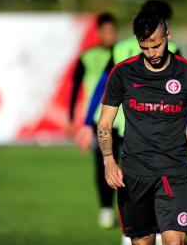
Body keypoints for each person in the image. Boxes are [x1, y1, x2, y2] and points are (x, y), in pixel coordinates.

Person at [97, 10, 187, 245]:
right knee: (142, 242)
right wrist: (108, 160)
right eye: (144, 47)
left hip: (174, 173)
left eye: (156, 45)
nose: (152, 53)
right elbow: (104, 124)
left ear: (168, 36)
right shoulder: (122, 73)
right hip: (133, 175)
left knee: (174, 241)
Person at [113, 0, 187, 146]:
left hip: (122, 122)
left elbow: (103, 85)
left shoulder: (119, 48)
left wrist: (88, 122)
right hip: (162, 126)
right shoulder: (170, 49)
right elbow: (181, 93)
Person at [68, 12, 123, 229]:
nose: (110, 35)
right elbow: (74, 89)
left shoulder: (123, 53)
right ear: (99, 32)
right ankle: (106, 210)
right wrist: (73, 118)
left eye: (113, 31)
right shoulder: (87, 57)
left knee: (128, 167)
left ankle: (127, 209)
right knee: (104, 166)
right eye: (106, 31)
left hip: (123, 121)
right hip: (98, 122)